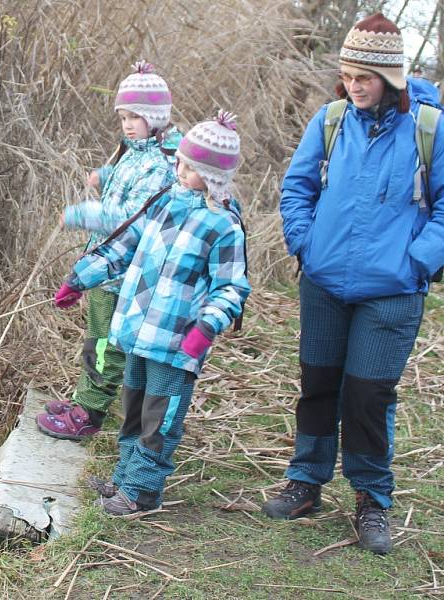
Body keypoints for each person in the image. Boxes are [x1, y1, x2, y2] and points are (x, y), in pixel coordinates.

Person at [263, 13, 444, 555]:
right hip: (323, 282)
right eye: (347, 74)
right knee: (317, 385)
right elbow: (296, 187)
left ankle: (372, 500)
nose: (354, 84)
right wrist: (305, 243)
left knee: (366, 395)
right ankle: (305, 483)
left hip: (391, 290)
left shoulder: (428, 129)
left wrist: (417, 262)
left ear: (390, 76)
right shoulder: (331, 119)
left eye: (364, 75)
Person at [53, 111, 250, 514]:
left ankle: (143, 489)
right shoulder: (164, 204)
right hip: (138, 332)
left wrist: (205, 329)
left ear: (212, 175)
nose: (179, 169)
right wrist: (81, 278)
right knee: (134, 409)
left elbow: (231, 288)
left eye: (190, 167)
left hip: (178, 343)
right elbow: (123, 244)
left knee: (160, 417)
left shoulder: (222, 226)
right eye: (180, 161)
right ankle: (124, 478)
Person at [36, 61, 177, 441]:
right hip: (107, 265)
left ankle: (89, 412)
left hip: (124, 270)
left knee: (107, 343)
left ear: (157, 118)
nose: (128, 125)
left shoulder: (161, 165)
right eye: (124, 117)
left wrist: (84, 213)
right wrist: (106, 175)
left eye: (136, 117)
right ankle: (84, 398)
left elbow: (130, 216)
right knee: (96, 337)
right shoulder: (136, 153)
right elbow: (129, 181)